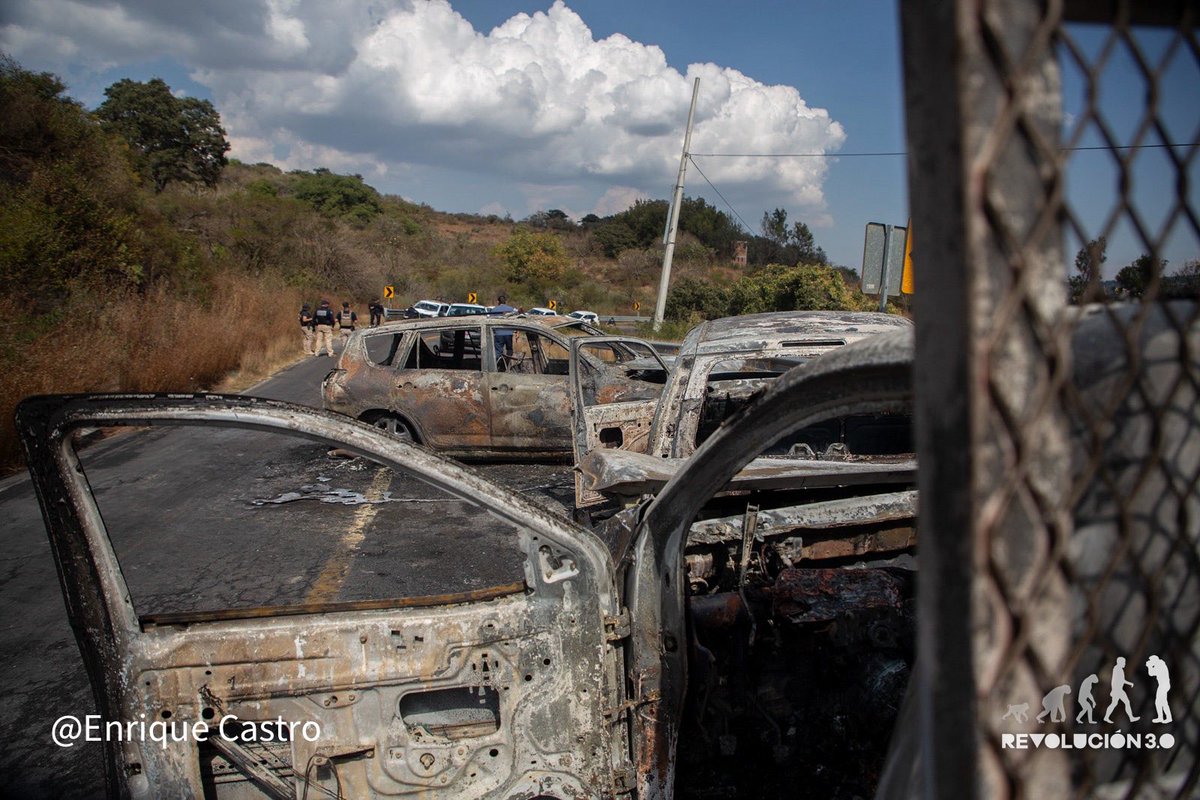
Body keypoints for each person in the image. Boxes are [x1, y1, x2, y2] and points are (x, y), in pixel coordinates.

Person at [492, 293, 516, 360]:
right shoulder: (511, 309)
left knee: (498, 351)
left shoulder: (494, 310)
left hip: (498, 333)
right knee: (509, 349)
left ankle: (496, 365)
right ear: (505, 301)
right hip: (509, 333)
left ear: (498, 302)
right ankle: (508, 362)